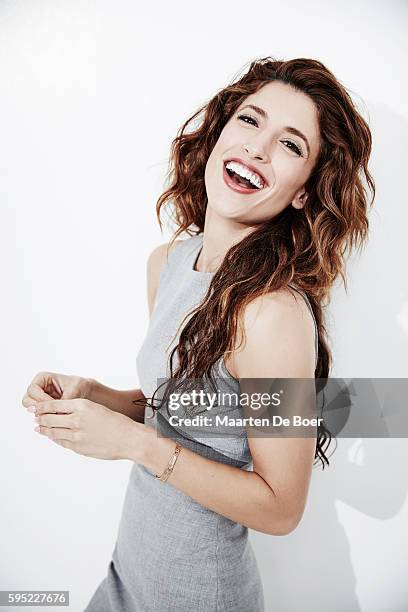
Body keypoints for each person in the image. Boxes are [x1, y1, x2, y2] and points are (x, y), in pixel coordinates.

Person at [22, 56, 375, 611]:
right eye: (250, 120)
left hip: (200, 596)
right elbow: (184, 407)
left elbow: (282, 507)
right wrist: (99, 397)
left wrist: (134, 446)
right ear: (219, 133)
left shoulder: (272, 314)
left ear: (305, 191)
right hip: (127, 576)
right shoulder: (168, 263)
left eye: (291, 145)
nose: (258, 147)